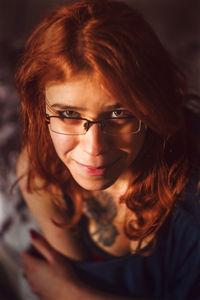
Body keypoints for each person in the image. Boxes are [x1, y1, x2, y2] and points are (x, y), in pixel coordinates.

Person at [15, 0, 200, 299]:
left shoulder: (191, 209)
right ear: (41, 109)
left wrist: (68, 291)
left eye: (119, 114)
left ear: (151, 108)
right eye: (69, 115)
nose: (94, 149)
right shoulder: (41, 168)